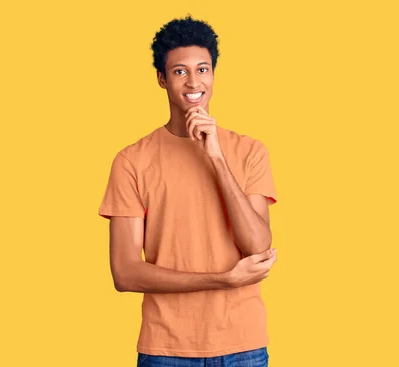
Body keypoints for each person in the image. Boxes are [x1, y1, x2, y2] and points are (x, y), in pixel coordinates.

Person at [98, 14, 278, 367]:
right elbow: (125, 272)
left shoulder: (250, 151)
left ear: (213, 74)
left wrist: (216, 158)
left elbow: (258, 246)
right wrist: (222, 281)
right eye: (180, 71)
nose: (194, 81)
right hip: (166, 350)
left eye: (203, 69)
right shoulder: (131, 161)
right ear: (162, 79)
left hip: (244, 346)